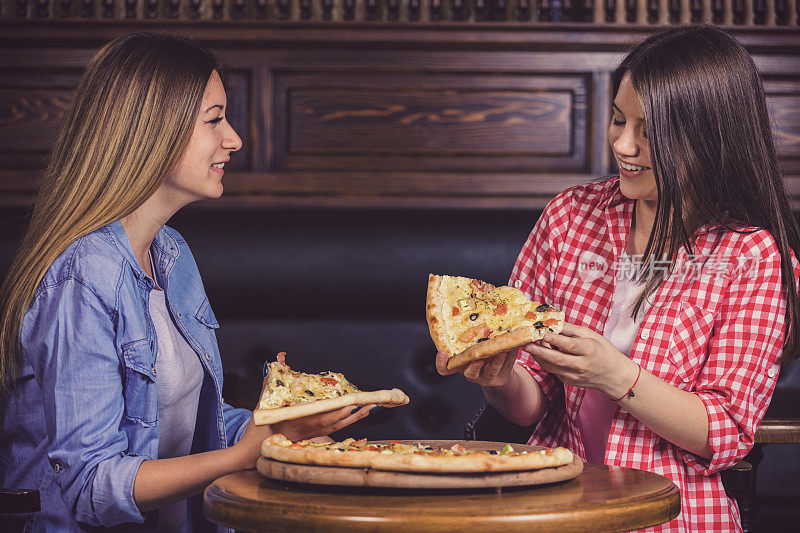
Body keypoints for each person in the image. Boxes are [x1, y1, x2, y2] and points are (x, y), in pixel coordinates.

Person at [0, 33, 375, 531]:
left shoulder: (170, 252)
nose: (234, 138)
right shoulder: (82, 277)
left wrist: (278, 426)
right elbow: (90, 488)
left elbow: (185, 424)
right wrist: (244, 455)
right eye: (214, 119)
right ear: (150, 132)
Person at [437, 25, 800, 532]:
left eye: (649, 131)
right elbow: (530, 405)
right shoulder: (569, 216)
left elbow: (725, 432)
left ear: (712, 135)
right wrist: (499, 378)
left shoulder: (752, 254)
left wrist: (615, 374)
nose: (624, 145)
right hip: (554, 503)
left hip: (672, 511)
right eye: (617, 120)